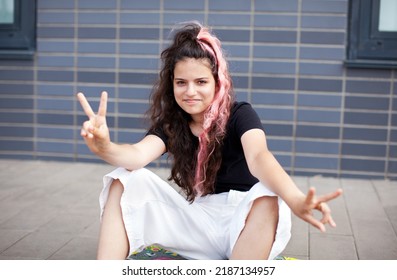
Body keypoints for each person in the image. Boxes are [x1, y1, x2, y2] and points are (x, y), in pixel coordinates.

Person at [77, 22, 342, 260]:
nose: (190, 91)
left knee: (267, 192)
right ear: (171, 85)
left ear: (218, 83)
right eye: (181, 82)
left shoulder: (240, 114)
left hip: (244, 223)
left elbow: (259, 157)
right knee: (125, 178)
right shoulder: (173, 124)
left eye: (201, 81)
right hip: (199, 221)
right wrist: (105, 147)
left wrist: (295, 198)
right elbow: (136, 155)